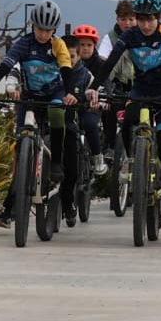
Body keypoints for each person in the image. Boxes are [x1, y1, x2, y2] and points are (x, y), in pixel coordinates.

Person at [85, 0, 161, 228]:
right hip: (140, 91)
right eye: (141, 19)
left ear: (159, 18)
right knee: (128, 122)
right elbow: (110, 63)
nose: (146, 25)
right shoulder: (129, 35)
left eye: (151, 19)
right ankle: (131, 160)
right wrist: (93, 87)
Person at [0, 0, 78, 226]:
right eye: (39, 29)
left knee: (57, 112)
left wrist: (70, 93)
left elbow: (66, 70)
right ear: (32, 25)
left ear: (54, 30)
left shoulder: (58, 46)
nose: (43, 34)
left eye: (48, 30)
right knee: (21, 146)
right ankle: (11, 207)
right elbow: (4, 67)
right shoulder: (23, 44)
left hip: (54, 93)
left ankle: (56, 163)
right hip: (30, 97)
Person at [57, 34, 95, 226]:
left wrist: (95, 100)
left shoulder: (86, 75)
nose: (67, 60)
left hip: (72, 123)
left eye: (71, 56)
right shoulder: (51, 71)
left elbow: (97, 90)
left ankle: (68, 202)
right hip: (51, 123)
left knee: (72, 169)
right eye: (62, 56)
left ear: (79, 56)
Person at [97, 0, 137, 162]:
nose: (127, 23)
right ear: (117, 19)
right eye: (123, 19)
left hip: (139, 84)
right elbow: (103, 61)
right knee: (109, 106)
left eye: (131, 19)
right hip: (117, 84)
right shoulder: (110, 38)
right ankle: (111, 145)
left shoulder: (142, 36)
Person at [71, 24, 107, 175]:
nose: (85, 48)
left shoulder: (101, 65)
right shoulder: (69, 62)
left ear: (94, 46)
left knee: (90, 123)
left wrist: (100, 102)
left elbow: (107, 87)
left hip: (91, 106)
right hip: (71, 104)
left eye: (89, 45)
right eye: (82, 45)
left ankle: (97, 157)